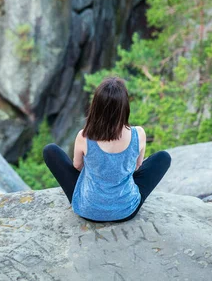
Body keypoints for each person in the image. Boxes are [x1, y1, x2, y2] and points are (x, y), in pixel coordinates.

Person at [43, 76, 171, 222]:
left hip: (88, 210)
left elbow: (77, 167)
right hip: (125, 211)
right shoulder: (139, 134)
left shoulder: (84, 136)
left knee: (50, 151)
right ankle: (120, 194)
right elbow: (137, 167)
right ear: (125, 107)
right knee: (163, 158)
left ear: (95, 107)